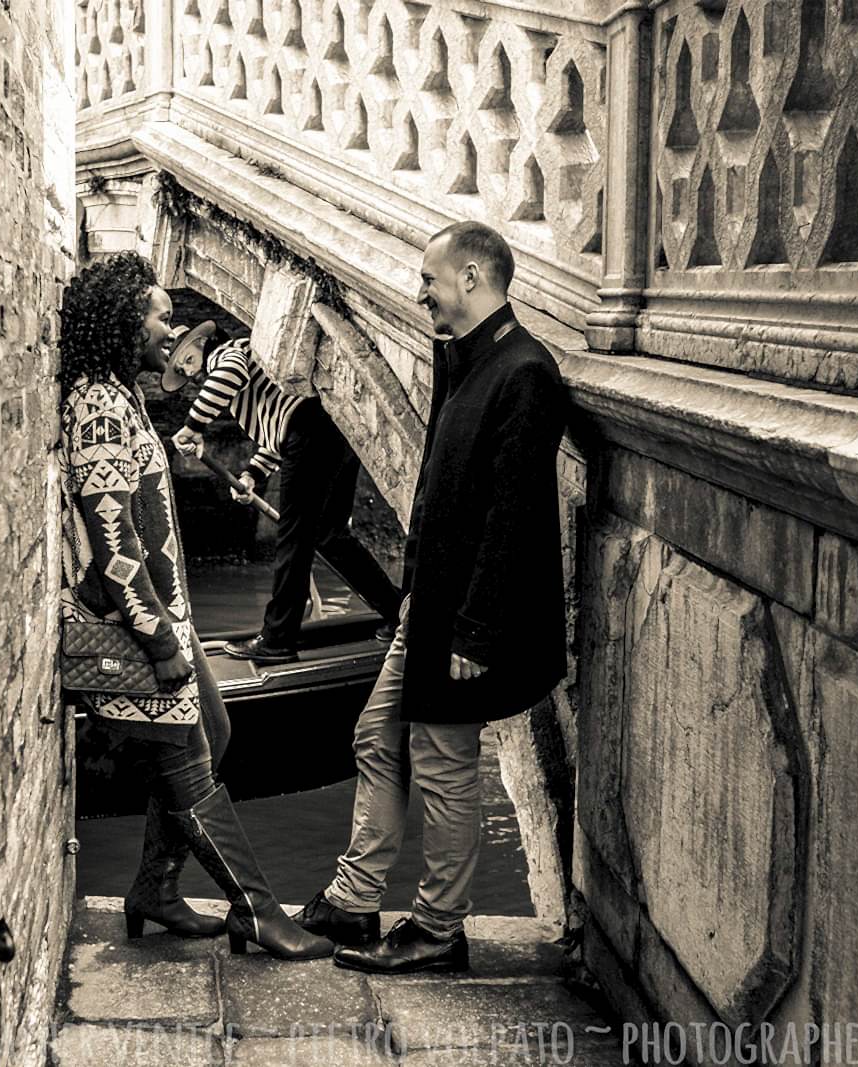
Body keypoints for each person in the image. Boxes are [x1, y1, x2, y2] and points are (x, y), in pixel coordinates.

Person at [292, 222, 569, 974]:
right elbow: (434, 493)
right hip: (429, 606)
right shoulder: (463, 362)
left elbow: (511, 521)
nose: (420, 291)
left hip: (468, 623)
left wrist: (476, 635)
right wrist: (414, 595)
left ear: (474, 277)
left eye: (430, 278)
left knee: (446, 769)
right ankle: (355, 897)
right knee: (375, 736)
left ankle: (439, 929)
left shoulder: (525, 373)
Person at [56, 252, 332, 960]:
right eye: (155, 312)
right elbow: (112, 542)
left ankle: (152, 886)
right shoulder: (96, 406)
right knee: (187, 761)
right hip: (145, 625)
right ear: (122, 320)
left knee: (218, 730)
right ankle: (258, 910)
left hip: (172, 615)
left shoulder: (120, 396)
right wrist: (159, 641)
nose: (167, 322)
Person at [164, 328, 401, 664]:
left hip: (309, 432)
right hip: (326, 430)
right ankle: (400, 612)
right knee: (328, 534)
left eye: (187, 362)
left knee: (293, 538)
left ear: (203, 344)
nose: (190, 373)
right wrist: (251, 474)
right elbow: (276, 434)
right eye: (183, 371)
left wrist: (193, 425)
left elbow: (231, 375)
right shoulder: (251, 376)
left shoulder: (231, 353)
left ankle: (277, 639)